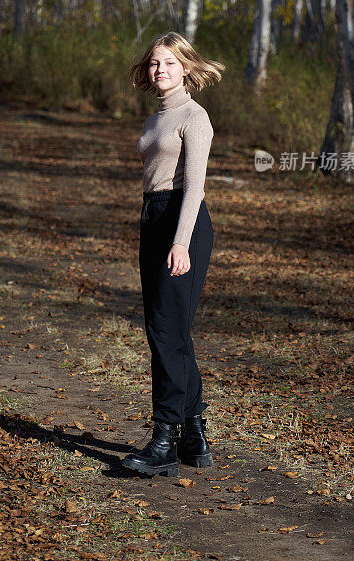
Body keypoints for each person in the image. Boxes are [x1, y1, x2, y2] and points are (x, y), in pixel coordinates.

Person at [123, 31, 225, 477]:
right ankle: (194, 431)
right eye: (153, 64)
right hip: (154, 217)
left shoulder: (194, 117)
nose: (158, 69)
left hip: (184, 221)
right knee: (169, 330)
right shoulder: (153, 121)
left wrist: (181, 241)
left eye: (167, 62)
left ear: (185, 67)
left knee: (166, 331)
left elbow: (195, 188)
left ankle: (165, 437)